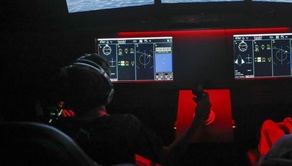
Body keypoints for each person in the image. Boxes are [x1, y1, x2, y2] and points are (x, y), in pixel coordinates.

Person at [49, 53, 212, 166]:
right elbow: (168, 158)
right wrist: (198, 117)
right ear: (108, 93)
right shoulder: (125, 126)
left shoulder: (55, 132)